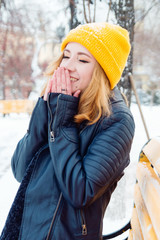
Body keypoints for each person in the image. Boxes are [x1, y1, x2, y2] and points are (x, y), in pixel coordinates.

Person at [0, 22, 135, 240]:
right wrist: (44, 110)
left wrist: (61, 122)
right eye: (66, 56)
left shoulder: (116, 120)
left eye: (82, 60)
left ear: (102, 71)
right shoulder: (61, 102)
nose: (68, 66)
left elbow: (80, 192)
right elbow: (20, 169)